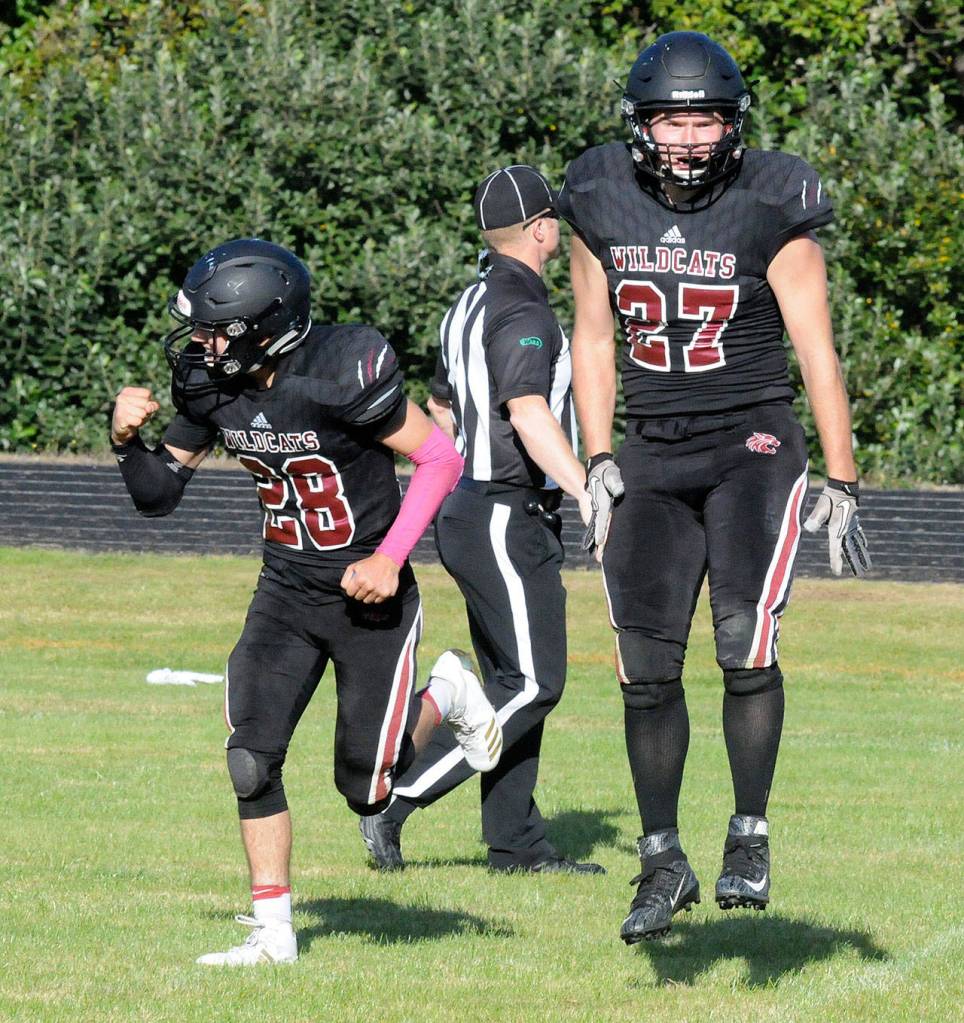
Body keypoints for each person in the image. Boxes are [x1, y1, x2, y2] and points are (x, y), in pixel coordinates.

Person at [109, 238, 503, 965]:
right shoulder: (209, 382)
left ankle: (444, 693)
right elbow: (159, 492)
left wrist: (390, 557)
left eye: (214, 328)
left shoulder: (339, 368)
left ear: (264, 327)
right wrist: (126, 440)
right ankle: (275, 935)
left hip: (368, 597)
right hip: (285, 588)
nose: (199, 342)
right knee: (250, 759)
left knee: (366, 787)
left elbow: (440, 456)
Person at [558, 32, 870, 943]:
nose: (690, 136)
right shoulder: (599, 194)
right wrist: (596, 456)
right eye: (671, 117)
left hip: (750, 441)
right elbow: (592, 333)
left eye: (705, 118)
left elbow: (816, 349)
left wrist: (842, 475)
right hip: (650, 450)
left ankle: (749, 832)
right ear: (639, 123)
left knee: (742, 636)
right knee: (644, 664)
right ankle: (662, 859)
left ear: (734, 125)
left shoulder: (771, 201)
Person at [357, 166, 605, 875]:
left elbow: (439, 406)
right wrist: (586, 489)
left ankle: (516, 843)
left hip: (473, 508)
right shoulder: (524, 310)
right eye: (555, 218)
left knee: (508, 676)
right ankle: (397, 797)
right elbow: (528, 413)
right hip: (502, 513)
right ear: (541, 230)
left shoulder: (466, 301)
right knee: (532, 684)